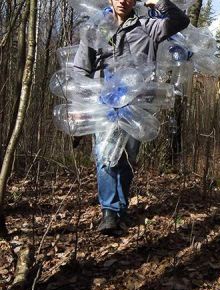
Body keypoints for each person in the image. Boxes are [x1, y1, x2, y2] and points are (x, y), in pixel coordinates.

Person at [73, 0, 189, 236]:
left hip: (137, 106)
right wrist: (81, 102)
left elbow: (180, 21)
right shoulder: (97, 28)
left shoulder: (149, 27)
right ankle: (109, 211)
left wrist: (159, 2)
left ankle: (121, 207)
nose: (123, 1)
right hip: (103, 106)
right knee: (105, 157)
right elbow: (80, 69)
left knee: (127, 158)